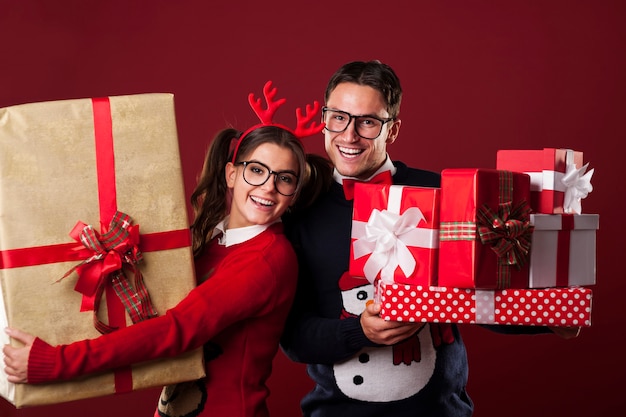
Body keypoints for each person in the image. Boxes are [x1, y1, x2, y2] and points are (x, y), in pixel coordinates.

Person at [2, 81, 328, 417]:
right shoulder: (211, 241)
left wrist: (57, 361)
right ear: (231, 174)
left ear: (294, 193)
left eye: (284, 178)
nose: (268, 188)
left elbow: (177, 329)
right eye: (256, 171)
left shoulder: (266, 259)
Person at [280, 60, 580, 417]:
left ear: (392, 130)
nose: (349, 135)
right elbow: (295, 337)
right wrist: (360, 332)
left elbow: (481, 295)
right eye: (338, 117)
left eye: (368, 122)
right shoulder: (299, 209)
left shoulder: (442, 191)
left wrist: (550, 317)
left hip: (440, 410)